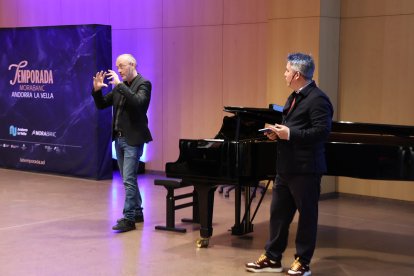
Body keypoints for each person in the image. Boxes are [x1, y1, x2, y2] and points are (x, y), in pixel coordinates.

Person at [245, 53, 333, 275]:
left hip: (305, 169)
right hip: (285, 168)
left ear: (296, 74)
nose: (284, 74)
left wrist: (290, 134)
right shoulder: (294, 96)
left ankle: (303, 262)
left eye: (286, 70)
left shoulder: (318, 99)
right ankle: (273, 258)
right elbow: (292, 128)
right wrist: (278, 134)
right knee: (278, 215)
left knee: (307, 216)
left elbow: (322, 132)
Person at [92, 53, 152, 232]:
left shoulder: (143, 84)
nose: (118, 70)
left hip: (133, 139)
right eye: (117, 67)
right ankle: (138, 211)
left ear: (132, 64)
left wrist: (119, 85)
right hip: (118, 139)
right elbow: (102, 104)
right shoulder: (120, 87)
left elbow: (139, 103)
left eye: (122, 66)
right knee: (129, 178)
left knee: (128, 179)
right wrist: (96, 91)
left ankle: (129, 218)